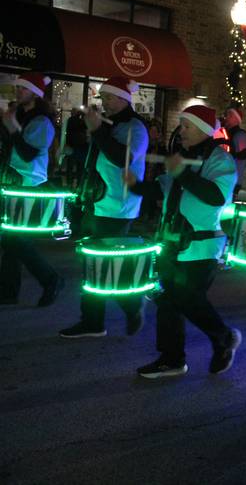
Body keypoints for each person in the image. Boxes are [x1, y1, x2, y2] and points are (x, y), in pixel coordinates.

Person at [126, 105, 241, 378]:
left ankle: (222, 337)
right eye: (181, 125)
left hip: (202, 246)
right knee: (169, 301)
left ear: (204, 129)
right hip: (172, 243)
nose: (181, 131)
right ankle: (172, 358)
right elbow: (162, 187)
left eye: (187, 126)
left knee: (186, 299)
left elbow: (215, 196)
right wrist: (135, 185)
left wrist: (183, 174)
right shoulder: (182, 158)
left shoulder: (220, 161)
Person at [59, 77, 148, 338]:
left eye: (109, 98)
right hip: (100, 202)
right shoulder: (112, 124)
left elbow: (122, 158)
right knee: (93, 262)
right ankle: (96, 319)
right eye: (104, 98)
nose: (105, 103)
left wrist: (97, 131)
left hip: (117, 206)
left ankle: (127, 307)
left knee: (105, 264)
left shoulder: (136, 127)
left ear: (124, 98)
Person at [0, 72, 64, 306]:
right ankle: (8, 291)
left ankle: (51, 279)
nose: (19, 92)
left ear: (36, 94)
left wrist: (13, 128)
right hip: (13, 184)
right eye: (18, 88)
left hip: (29, 187)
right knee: (10, 240)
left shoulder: (41, 122)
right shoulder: (19, 115)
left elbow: (28, 155)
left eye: (24, 89)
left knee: (17, 241)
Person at [223, 107, 246, 197]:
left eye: (229, 115)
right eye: (226, 115)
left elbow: (244, 154)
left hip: (235, 179)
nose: (226, 117)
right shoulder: (225, 133)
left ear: (237, 119)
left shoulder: (240, 134)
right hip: (225, 176)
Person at [65, 107, 88, 188]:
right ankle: (79, 184)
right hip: (81, 144)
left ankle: (69, 183)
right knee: (80, 166)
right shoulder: (82, 121)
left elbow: (68, 132)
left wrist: (67, 143)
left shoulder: (71, 120)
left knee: (70, 165)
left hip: (72, 144)